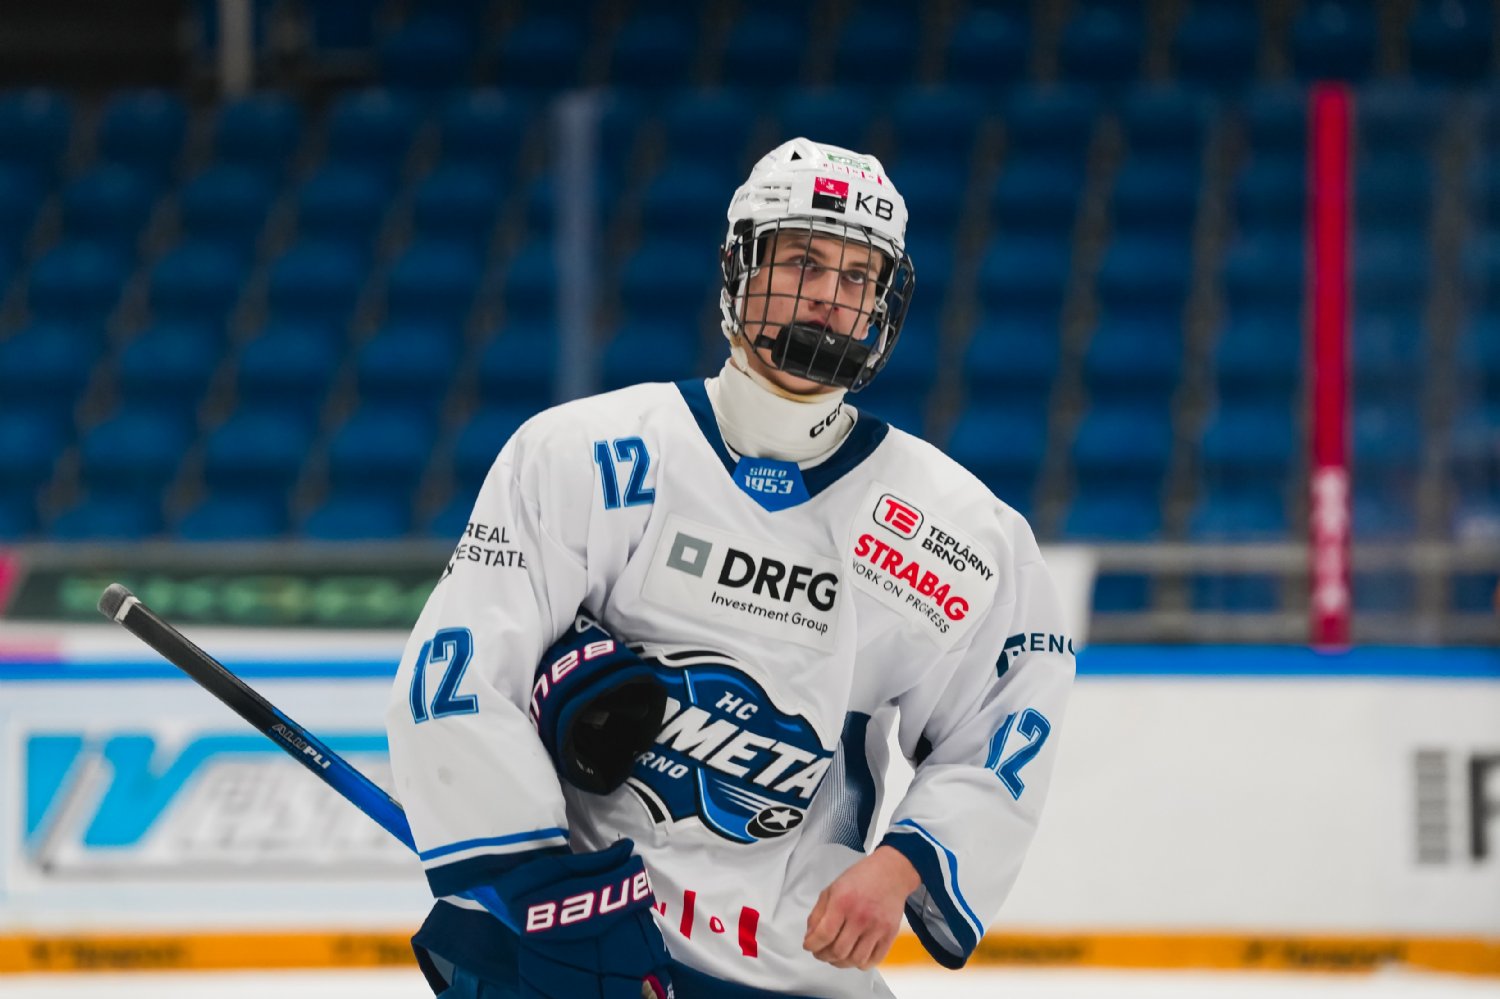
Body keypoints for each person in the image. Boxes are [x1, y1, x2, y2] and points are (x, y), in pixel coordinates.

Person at [386, 137, 1076, 998]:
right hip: (570, 946)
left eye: (858, 277)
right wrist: (537, 883)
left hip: (789, 966)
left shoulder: (956, 529)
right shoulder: (585, 455)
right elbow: (458, 674)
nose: (829, 296)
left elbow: (1011, 709)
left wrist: (906, 860)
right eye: (803, 262)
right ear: (738, 268)